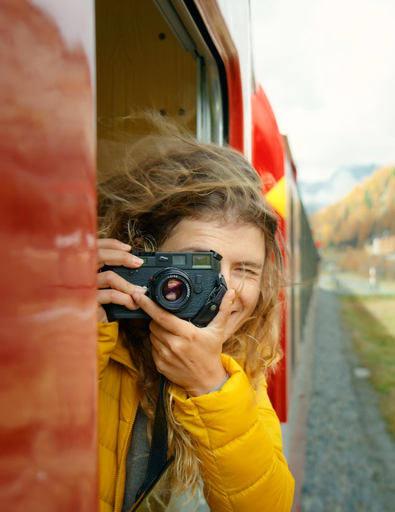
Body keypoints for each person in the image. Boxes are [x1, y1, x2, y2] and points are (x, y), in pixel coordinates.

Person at [95, 129, 294, 512]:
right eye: (201, 266)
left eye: (246, 270)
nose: (226, 292)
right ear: (143, 260)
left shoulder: (240, 371)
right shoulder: (95, 336)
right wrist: (67, 329)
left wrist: (210, 386)